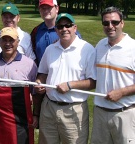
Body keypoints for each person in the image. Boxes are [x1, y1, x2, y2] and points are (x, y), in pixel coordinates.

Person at [34, 13, 96, 144]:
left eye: (68, 25)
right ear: (56, 30)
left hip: (74, 110)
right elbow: (43, 73)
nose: (64, 29)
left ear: (75, 28)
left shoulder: (87, 49)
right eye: (60, 26)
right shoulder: (50, 49)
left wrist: (70, 85)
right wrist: (39, 82)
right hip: (49, 107)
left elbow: (93, 82)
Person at [30, 0, 81, 128]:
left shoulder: (69, 32)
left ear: (57, 8)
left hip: (64, 89)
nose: (45, 10)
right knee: (45, 130)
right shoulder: (36, 31)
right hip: (43, 84)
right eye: (42, 8)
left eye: (49, 7)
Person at [91, 6, 135, 144]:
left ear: (122, 23)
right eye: (106, 23)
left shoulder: (133, 47)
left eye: (114, 22)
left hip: (125, 113)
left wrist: (121, 92)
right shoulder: (100, 45)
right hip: (100, 113)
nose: (110, 26)